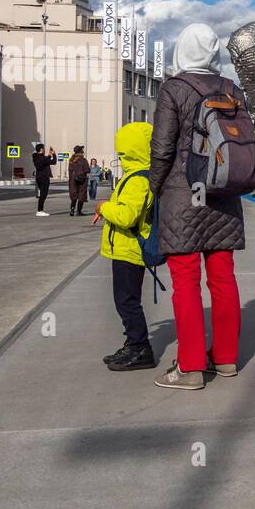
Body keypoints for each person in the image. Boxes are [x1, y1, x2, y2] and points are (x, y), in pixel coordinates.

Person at [148, 23, 246, 391]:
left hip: (183, 194)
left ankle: (189, 368)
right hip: (223, 193)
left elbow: (162, 149)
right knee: (223, 279)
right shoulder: (232, 89)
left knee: (185, 281)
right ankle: (225, 360)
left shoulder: (174, 88)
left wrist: (155, 189)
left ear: (182, 50)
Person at [93, 122, 158, 372]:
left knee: (127, 301)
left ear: (128, 148)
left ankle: (141, 348)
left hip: (130, 250)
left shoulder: (138, 179)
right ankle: (133, 343)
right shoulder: (136, 176)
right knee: (125, 300)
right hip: (124, 249)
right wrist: (108, 209)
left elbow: (127, 216)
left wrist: (103, 207)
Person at [32, 143, 54, 217]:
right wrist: (53, 155)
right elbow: (53, 162)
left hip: (38, 177)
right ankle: (40, 210)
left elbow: (44, 160)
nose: (44, 150)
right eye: (43, 148)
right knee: (43, 194)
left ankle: (40, 210)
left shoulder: (35, 157)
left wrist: (48, 155)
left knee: (42, 194)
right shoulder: (43, 158)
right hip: (44, 177)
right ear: (41, 149)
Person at [67, 145, 90, 216]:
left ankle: (72, 210)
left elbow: (70, 170)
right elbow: (87, 170)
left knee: (74, 195)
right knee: (81, 195)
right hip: (82, 180)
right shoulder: (83, 160)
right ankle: (79, 211)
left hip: (73, 180)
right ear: (81, 152)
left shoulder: (71, 160)